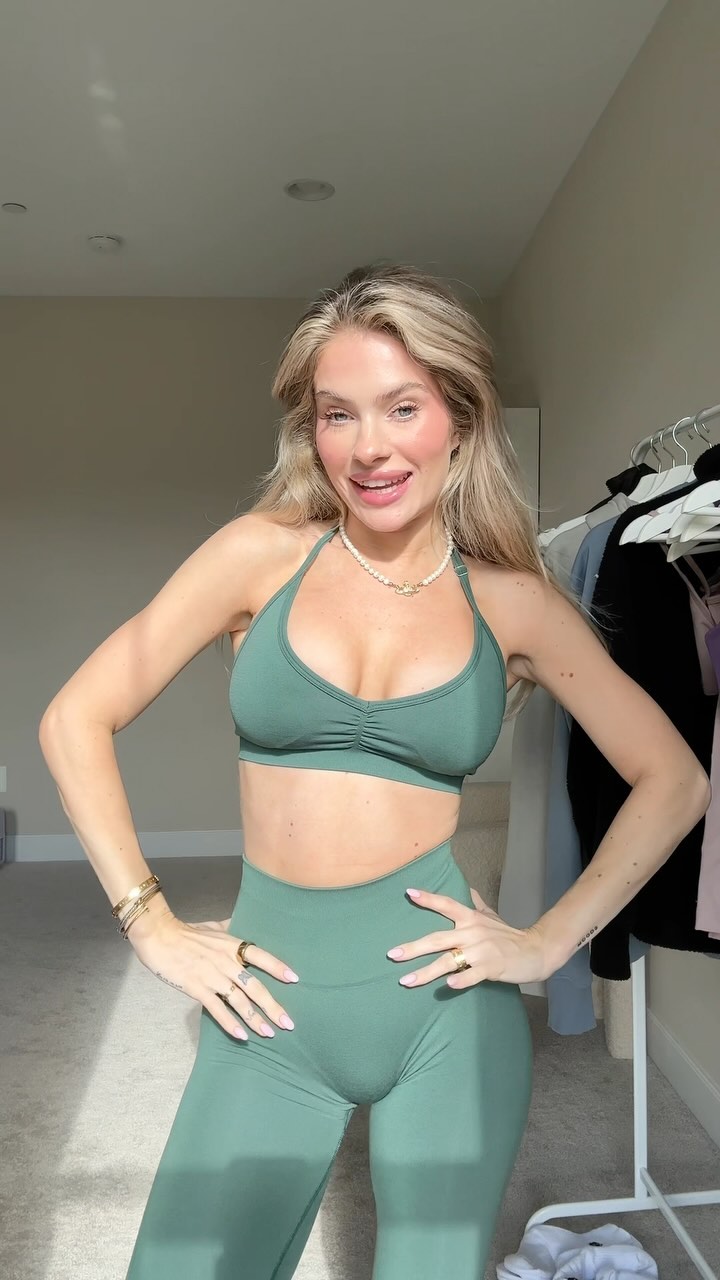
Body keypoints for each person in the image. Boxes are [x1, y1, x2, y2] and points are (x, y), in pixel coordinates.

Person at [38, 262, 710, 1279]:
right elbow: (75, 717)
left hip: (446, 1012)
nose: (369, 447)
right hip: (269, 1003)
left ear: (460, 421)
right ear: (310, 430)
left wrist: (546, 939)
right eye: (337, 413)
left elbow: (674, 777)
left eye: (403, 407)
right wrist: (150, 920)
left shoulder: (514, 602)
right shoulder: (257, 554)